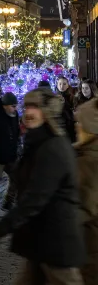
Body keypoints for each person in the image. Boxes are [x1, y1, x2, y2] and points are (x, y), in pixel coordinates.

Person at [0, 87, 85, 284]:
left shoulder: (53, 147)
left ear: (47, 112)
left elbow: (36, 197)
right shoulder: (37, 142)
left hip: (56, 239)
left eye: (35, 107)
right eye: (27, 106)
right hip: (40, 239)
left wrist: (3, 227)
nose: (28, 112)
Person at [76, 98, 98, 285]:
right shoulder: (83, 155)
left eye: (80, 123)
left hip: (90, 245)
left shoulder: (89, 161)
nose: (77, 127)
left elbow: (85, 207)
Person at [58, 76, 77, 143]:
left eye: (64, 84)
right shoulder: (55, 96)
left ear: (68, 85)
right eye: (60, 84)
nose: (61, 86)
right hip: (59, 125)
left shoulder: (72, 97)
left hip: (69, 125)